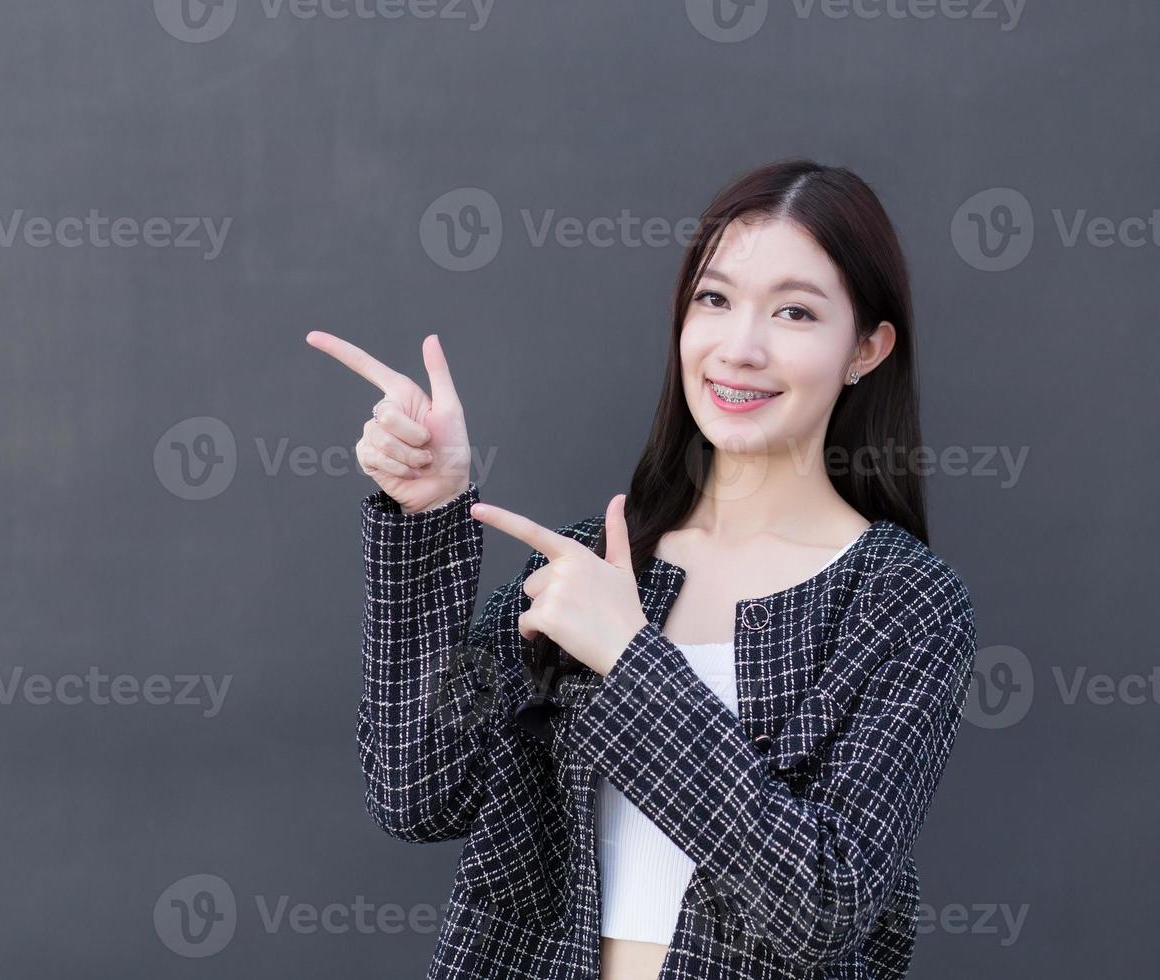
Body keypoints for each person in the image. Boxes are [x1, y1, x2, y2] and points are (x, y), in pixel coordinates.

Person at [305, 157, 977, 980]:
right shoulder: (591, 561)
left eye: (795, 312)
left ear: (865, 349)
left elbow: (821, 906)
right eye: (714, 300)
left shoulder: (903, 600)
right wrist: (427, 516)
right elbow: (417, 792)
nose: (741, 348)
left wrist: (631, 661)